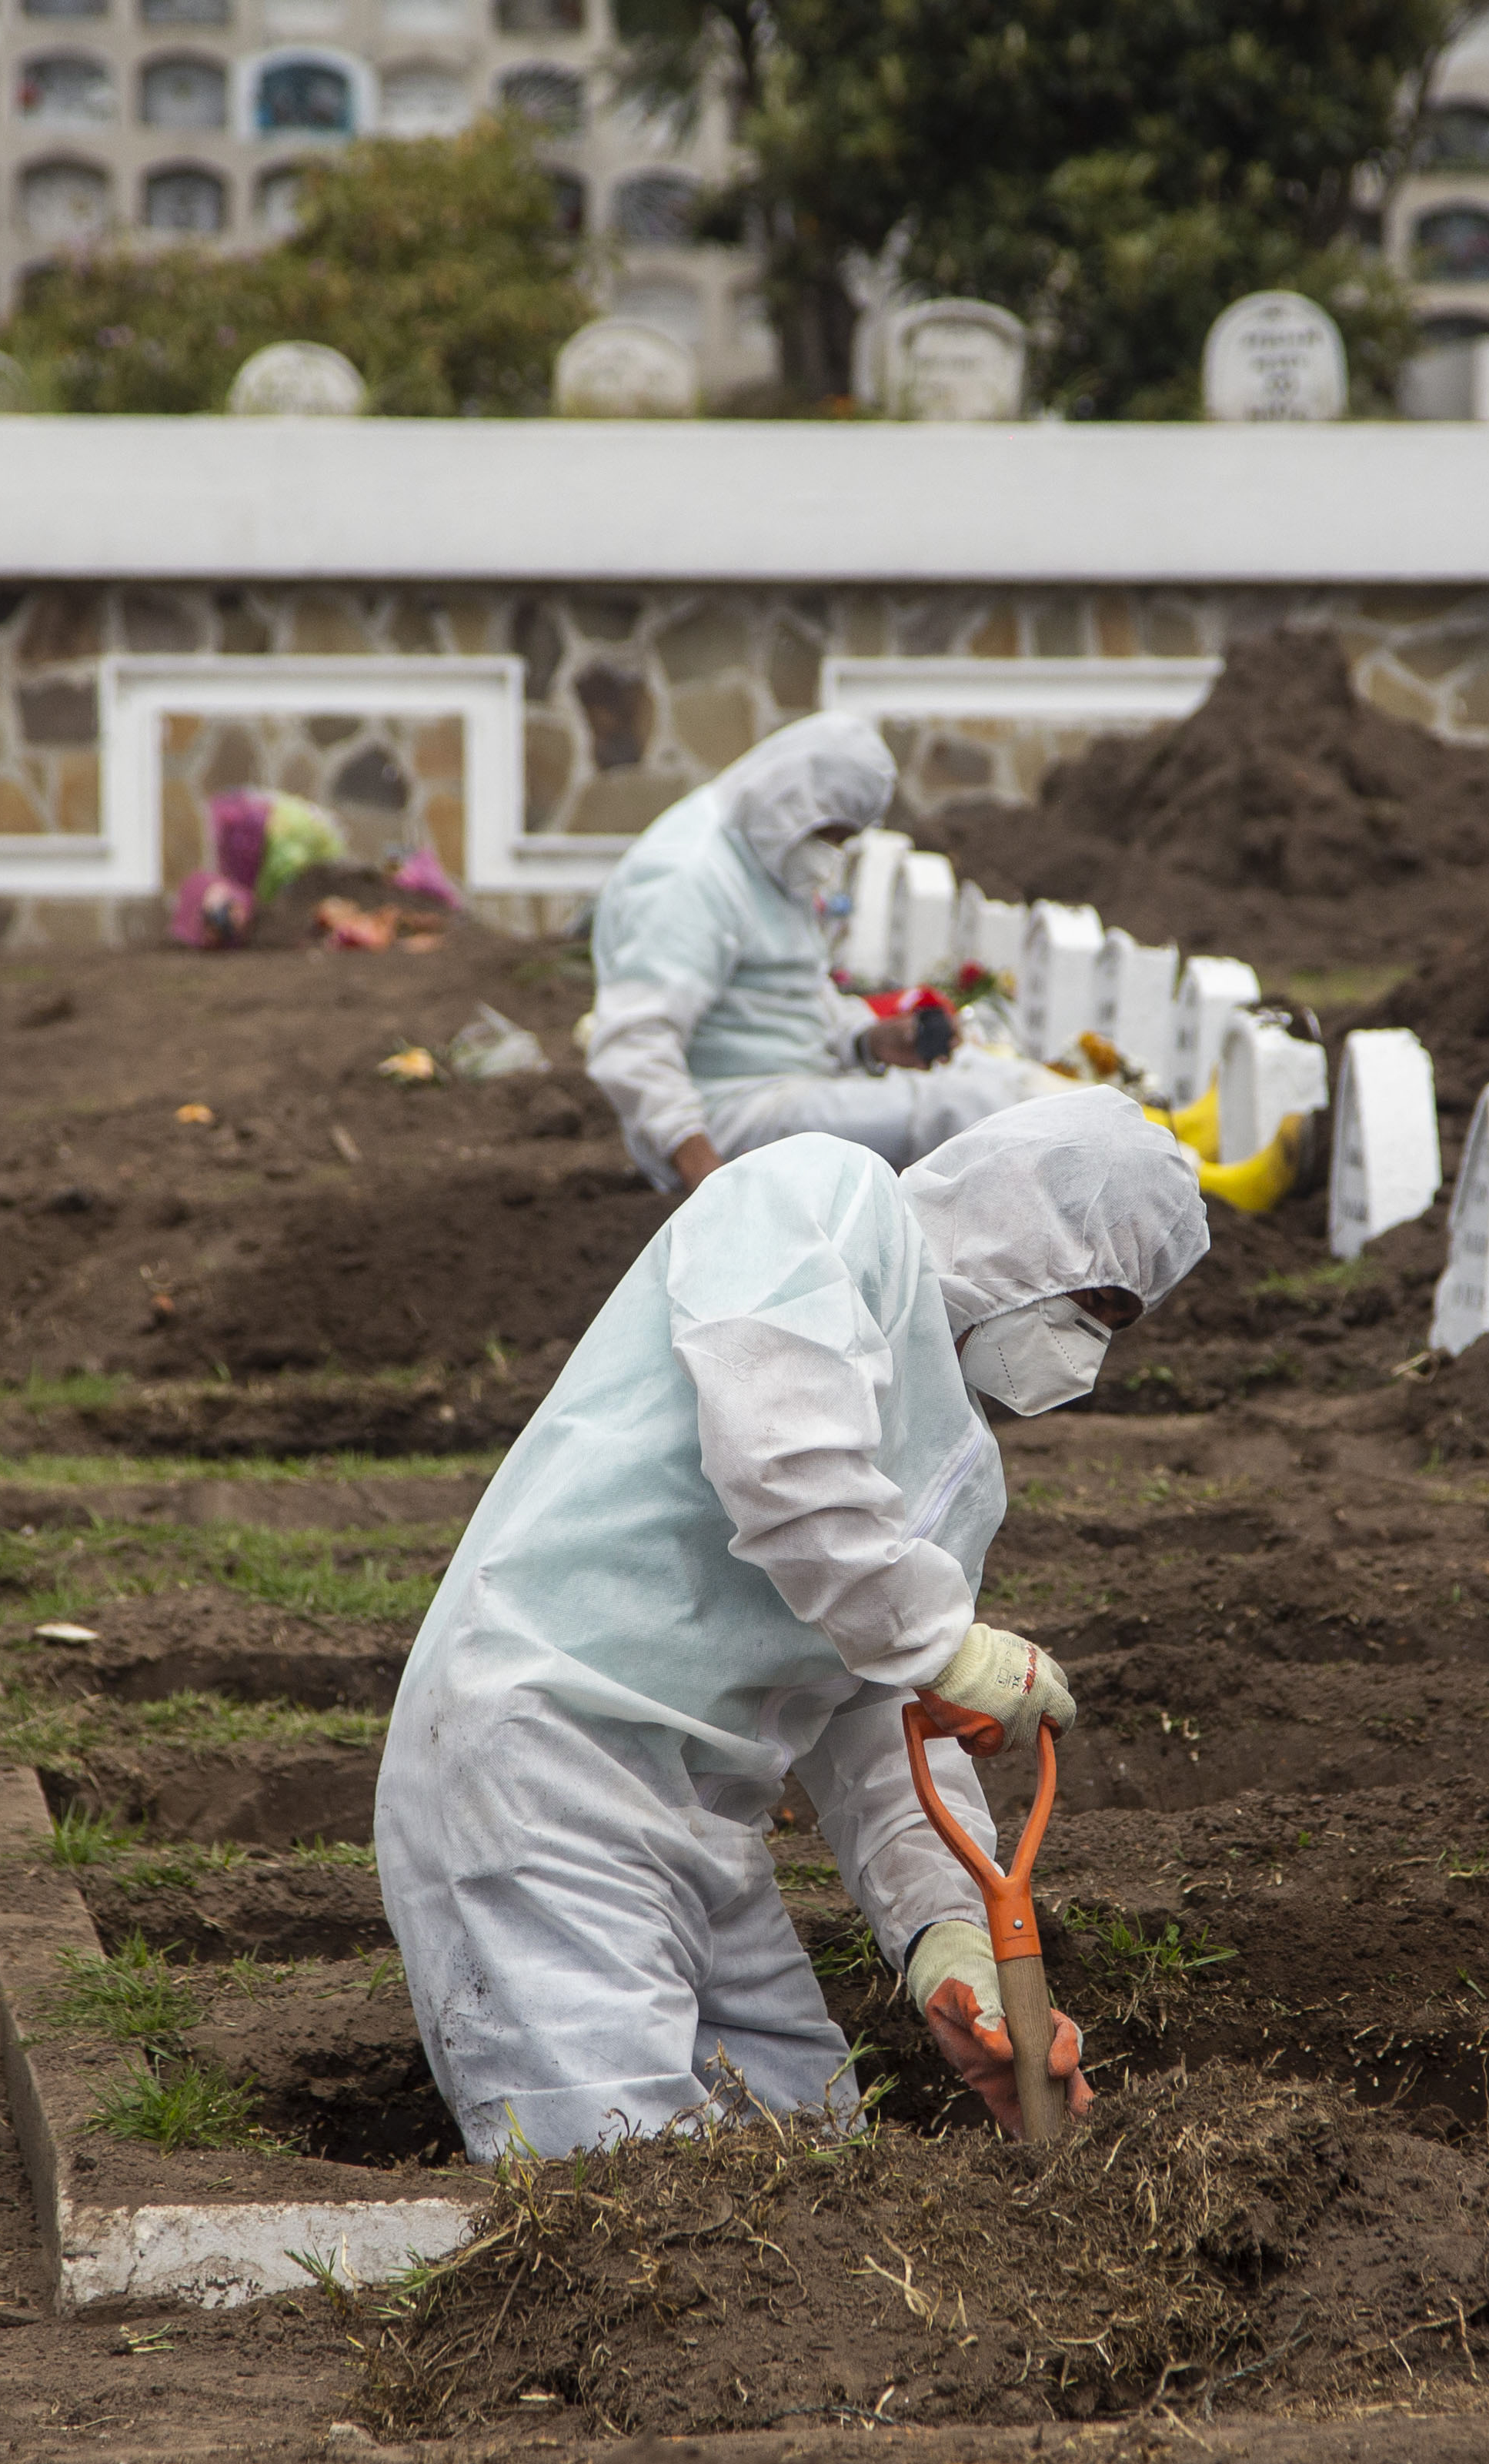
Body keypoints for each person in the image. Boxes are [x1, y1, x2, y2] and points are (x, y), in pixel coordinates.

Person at [379, 1092, 1210, 2157]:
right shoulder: (820, 1197)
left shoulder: (951, 1474)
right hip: (541, 1759)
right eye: (1092, 1301)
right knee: (627, 2200)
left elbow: (885, 1724)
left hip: (702, 1826)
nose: (1085, 1353)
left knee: (817, 2173)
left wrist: (949, 1943)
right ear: (1024, 1220)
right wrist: (946, 1646)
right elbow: (785, 1465)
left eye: (1117, 1323)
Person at [585, 714, 1066, 1193]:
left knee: (1000, 1078)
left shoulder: (763, 851)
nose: (832, 854)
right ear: (794, 805)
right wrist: (709, 1183)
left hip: (787, 1089)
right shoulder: (687, 878)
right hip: (731, 1118)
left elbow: (791, 992)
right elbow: (634, 1046)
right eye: (830, 836)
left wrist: (866, 1039)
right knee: (962, 1107)